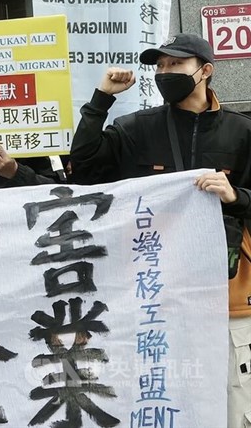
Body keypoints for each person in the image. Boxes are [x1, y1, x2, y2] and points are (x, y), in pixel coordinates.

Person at [68, 33, 251, 428]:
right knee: (170, 394)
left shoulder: (241, 131)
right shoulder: (136, 128)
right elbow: (84, 166)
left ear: (205, 72)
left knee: (234, 406)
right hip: (153, 290)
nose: (164, 73)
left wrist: (235, 195)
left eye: (175, 65)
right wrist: (102, 98)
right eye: (160, 66)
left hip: (225, 291)